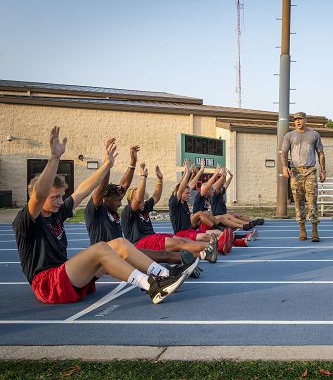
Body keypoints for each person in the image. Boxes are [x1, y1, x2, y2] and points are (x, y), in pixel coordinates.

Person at [13, 127, 196, 304]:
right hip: (48, 284)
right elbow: (39, 194)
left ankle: (163, 275)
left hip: (67, 276)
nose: (61, 201)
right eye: (55, 197)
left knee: (119, 244)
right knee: (101, 247)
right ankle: (151, 286)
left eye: (62, 196)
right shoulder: (28, 220)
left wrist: (107, 165)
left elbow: (83, 190)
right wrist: (54, 158)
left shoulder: (57, 213)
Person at [85, 140, 200, 276]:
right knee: (148, 261)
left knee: (164, 255)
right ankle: (167, 275)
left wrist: (132, 163)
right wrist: (107, 165)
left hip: (121, 252)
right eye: (117, 201)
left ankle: (185, 264)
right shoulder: (96, 210)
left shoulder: (116, 208)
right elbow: (101, 189)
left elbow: (124, 184)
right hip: (106, 259)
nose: (120, 204)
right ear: (105, 198)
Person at [122, 163, 218, 262]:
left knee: (180, 240)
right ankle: (210, 246)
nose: (143, 202)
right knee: (178, 244)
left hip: (152, 237)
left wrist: (160, 180)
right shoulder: (128, 211)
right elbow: (137, 200)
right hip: (140, 243)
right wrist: (143, 177)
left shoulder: (144, 207)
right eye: (141, 200)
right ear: (131, 201)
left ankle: (206, 254)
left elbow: (156, 197)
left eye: (144, 200)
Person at [281, 111, 326, 242]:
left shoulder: (314, 134)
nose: (298, 121)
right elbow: (283, 153)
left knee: (312, 201)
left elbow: (321, 153)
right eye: (295, 120)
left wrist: (323, 170)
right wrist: (284, 167)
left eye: (300, 119)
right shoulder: (289, 136)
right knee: (298, 201)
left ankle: (314, 229)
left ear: (305, 120)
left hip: (310, 171)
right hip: (295, 172)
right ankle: (302, 228)